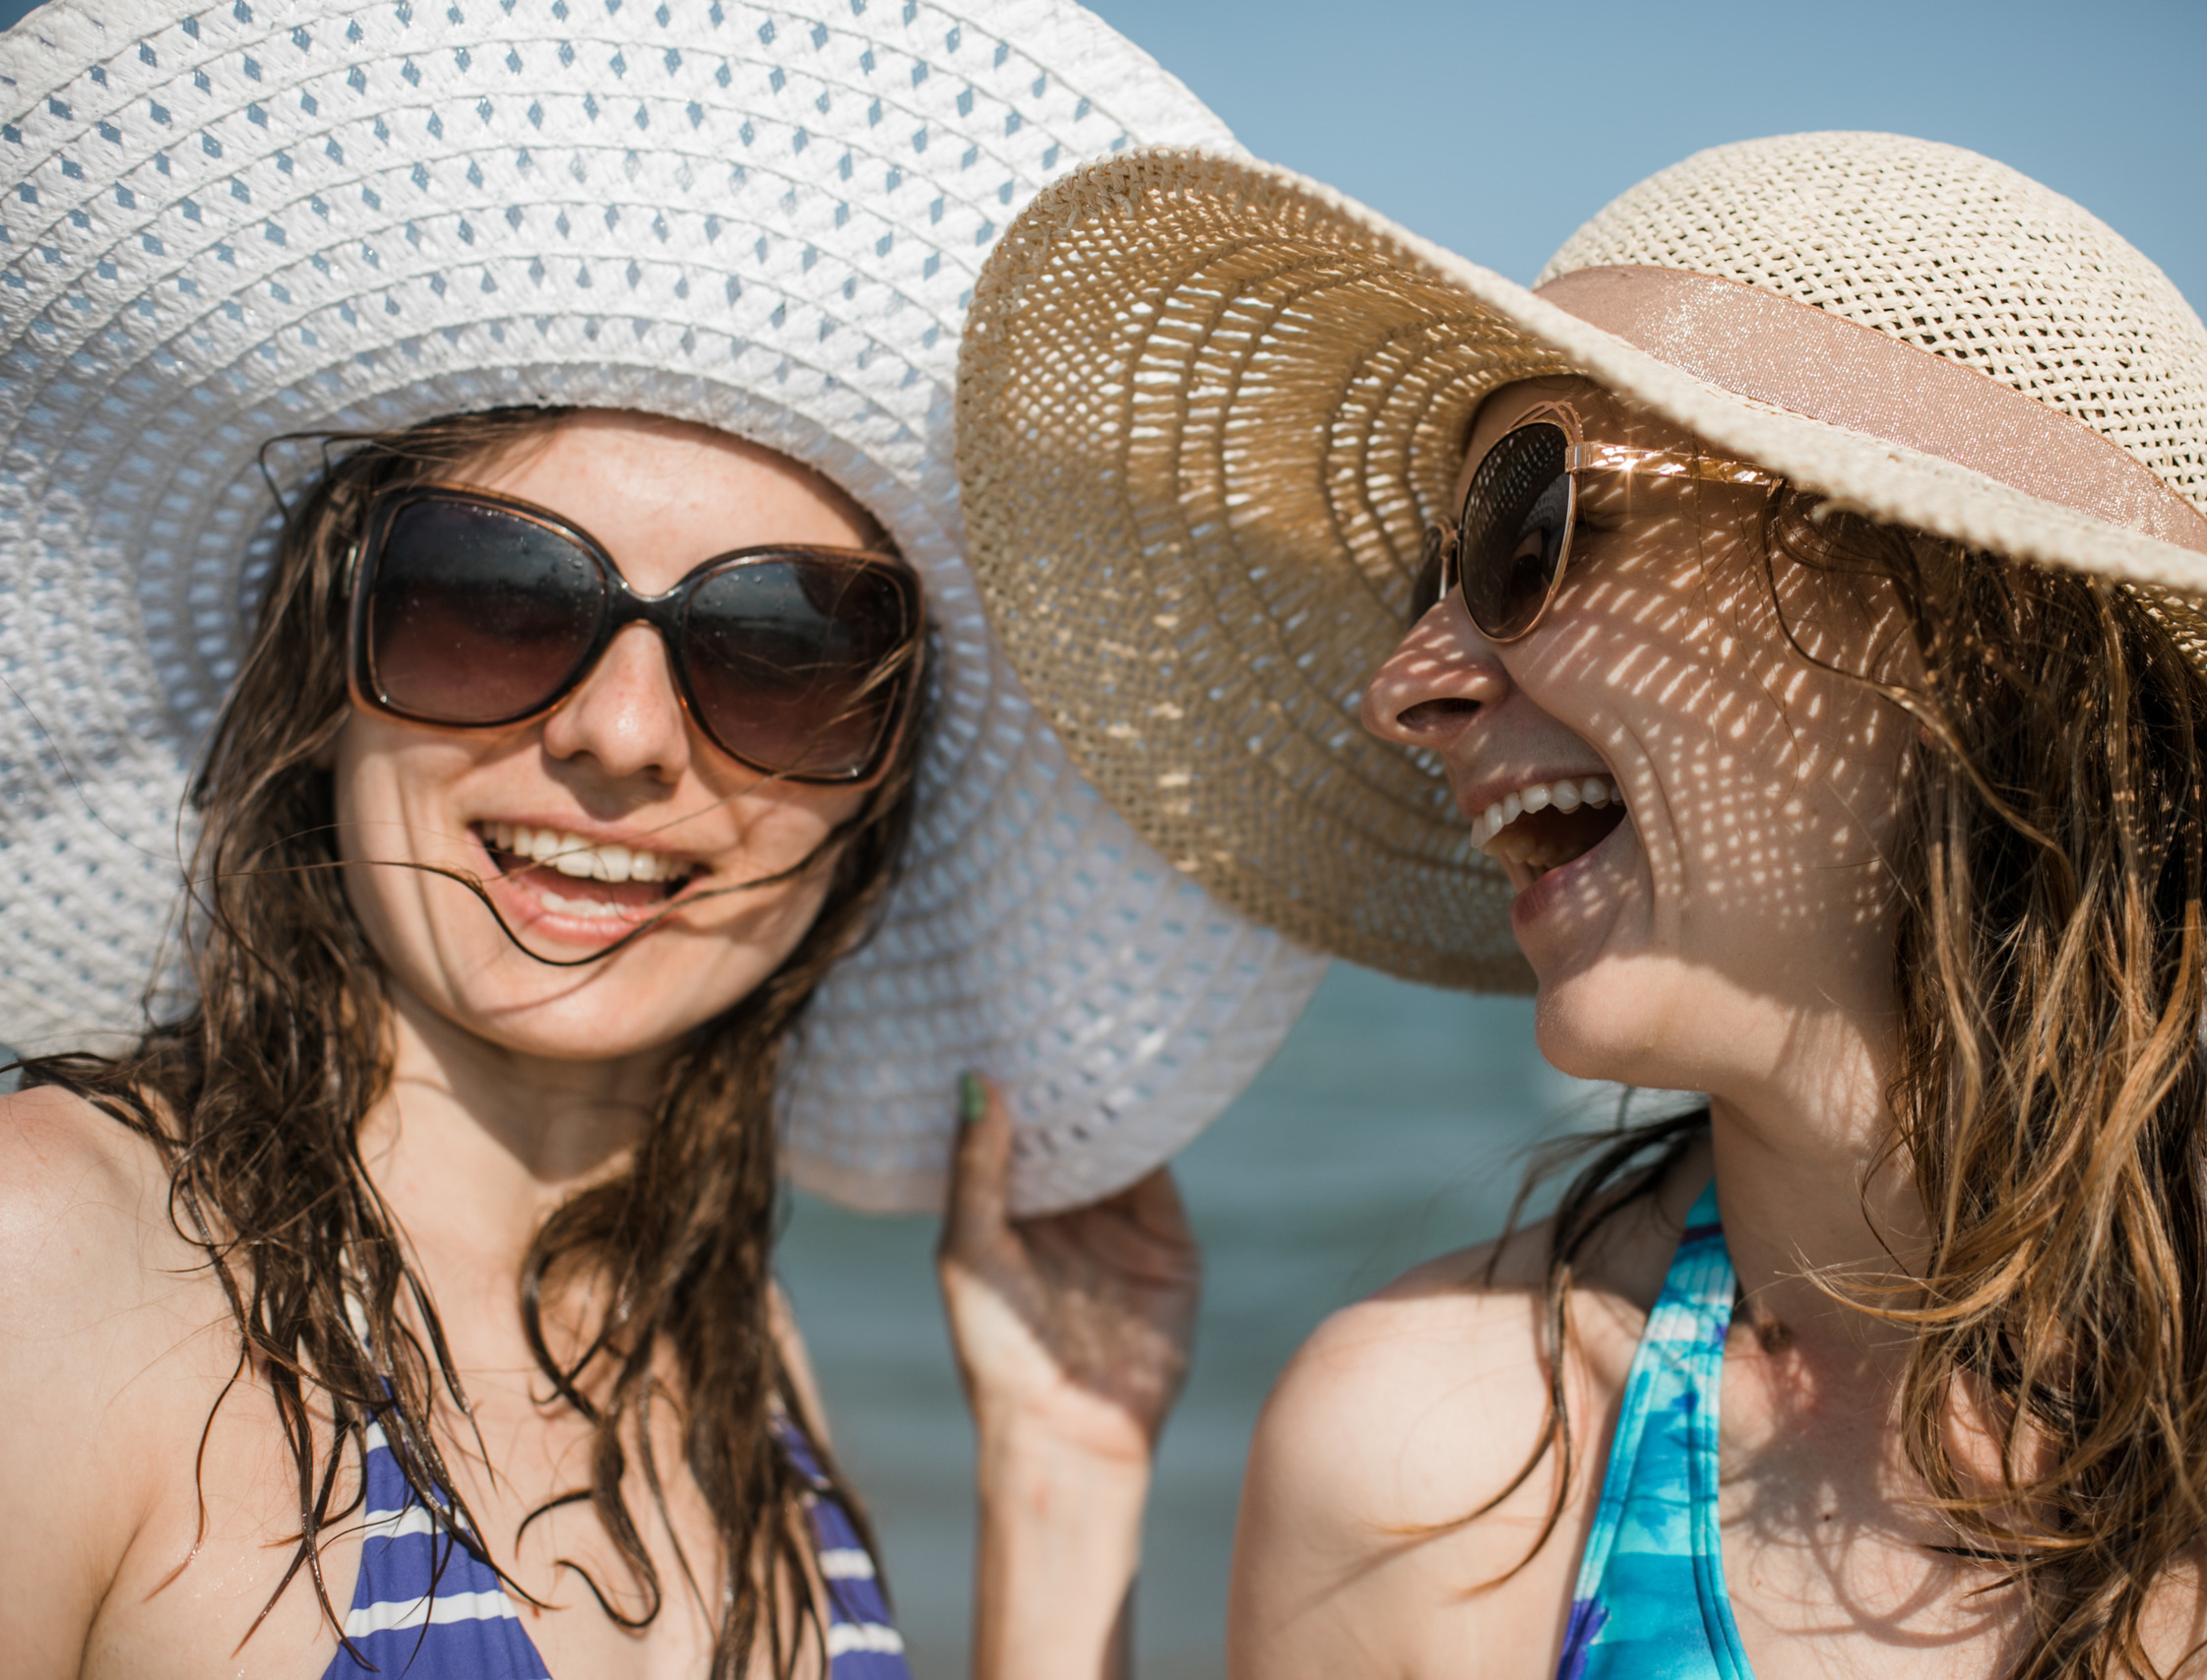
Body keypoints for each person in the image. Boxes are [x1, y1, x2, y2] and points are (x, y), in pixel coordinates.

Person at [953, 135, 2207, 1677]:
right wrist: (1056, 1478)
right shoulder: (1436, 1473)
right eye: (1426, 586)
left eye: (1526, 535)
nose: (1405, 687)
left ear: (1957, 622)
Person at [0, 2, 1327, 1675]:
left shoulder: (731, 1356)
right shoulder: (51, 1257)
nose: (622, 736)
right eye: (496, 603)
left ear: (879, 785)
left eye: (781, 656)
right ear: (324, 662)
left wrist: (1064, 1473)